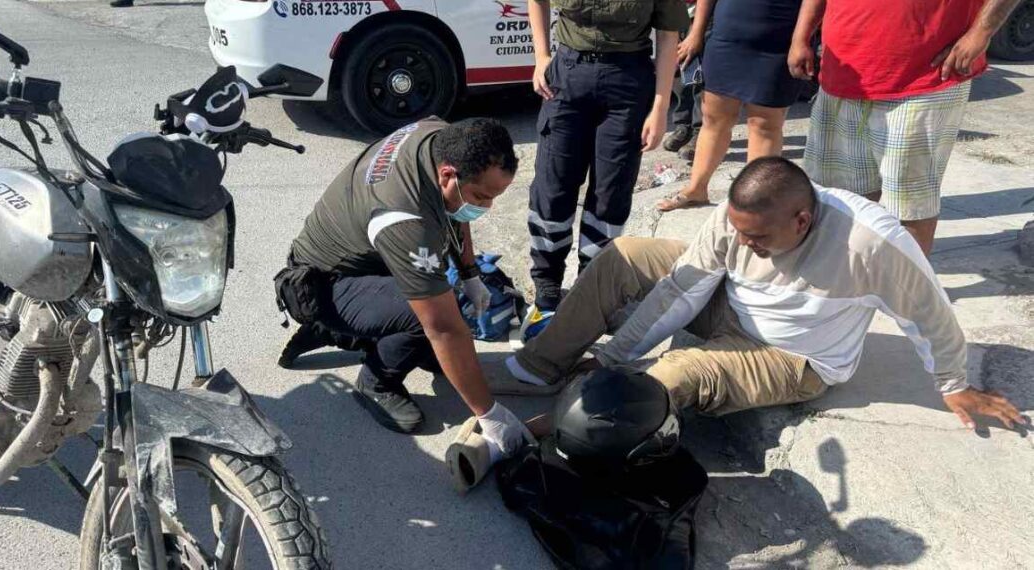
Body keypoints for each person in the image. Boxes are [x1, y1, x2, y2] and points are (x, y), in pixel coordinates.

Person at [490, 157, 1027, 432]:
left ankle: (558, 429)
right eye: (739, 231)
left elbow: (929, 315)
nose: (743, 242)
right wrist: (612, 357)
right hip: (728, 306)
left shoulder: (871, 244)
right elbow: (682, 290)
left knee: (672, 375)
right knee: (628, 253)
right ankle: (541, 366)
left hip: (793, 356)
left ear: (801, 219)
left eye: (758, 238)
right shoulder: (736, 220)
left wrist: (954, 384)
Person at [280, 117, 532, 460]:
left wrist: (470, 273)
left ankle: (353, 327)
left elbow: (455, 212)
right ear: (447, 174)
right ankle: (375, 380)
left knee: (442, 302)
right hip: (320, 285)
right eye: (482, 196)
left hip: (358, 261)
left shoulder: (439, 136)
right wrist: (489, 415)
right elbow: (441, 328)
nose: (487, 207)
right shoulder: (404, 217)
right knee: (432, 319)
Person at [790, 0, 1024, 256]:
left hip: (922, 76)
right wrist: (801, 36)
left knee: (908, 205)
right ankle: (857, 279)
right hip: (843, 72)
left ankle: (908, 292)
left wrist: (980, 33)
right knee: (843, 196)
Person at [524, 0, 687, 316]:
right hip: (567, 78)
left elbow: (668, 36)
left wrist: (660, 107)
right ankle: (547, 286)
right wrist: (541, 56)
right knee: (552, 187)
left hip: (627, 82)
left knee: (610, 195)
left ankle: (592, 286)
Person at [657, 0, 806, 213]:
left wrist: (801, 40)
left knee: (765, 125)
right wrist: (695, 33)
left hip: (780, 42)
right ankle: (696, 189)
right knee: (714, 119)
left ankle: (755, 202)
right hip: (727, 37)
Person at [664, 0, 705, 161]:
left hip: (701, 15)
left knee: (700, 76)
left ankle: (700, 131)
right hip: (675, 13)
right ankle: (683, 126)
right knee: (679, 73)